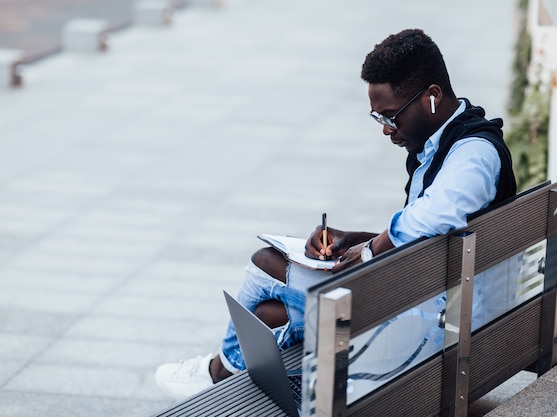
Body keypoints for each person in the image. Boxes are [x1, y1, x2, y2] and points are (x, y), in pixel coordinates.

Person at [154, 28, 516, 399]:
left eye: (391, 116)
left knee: (266, 263)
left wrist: (372, 250)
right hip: (427, 303)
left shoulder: (474, 153)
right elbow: (430, 230)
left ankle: (217, 375)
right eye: (379, 118)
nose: (387, 130)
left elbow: (435, 215)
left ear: (432, 97)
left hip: (436, 329)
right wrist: (355, 240)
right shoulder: (447, 143)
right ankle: (231, 375)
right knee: (268, 313)